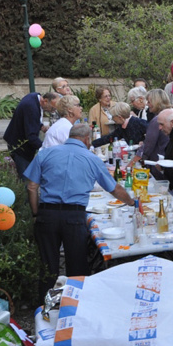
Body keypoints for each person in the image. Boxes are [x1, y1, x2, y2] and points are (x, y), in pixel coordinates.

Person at [24, 123, 134, 302]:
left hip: (47, 214)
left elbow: (31, 186)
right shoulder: (92, 159)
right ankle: (76, 305)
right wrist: (131, 202)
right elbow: (114, 189)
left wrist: (36, 213)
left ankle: (42, 309)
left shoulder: (45, 153)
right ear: (86, 139)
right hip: (74, 216)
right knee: (77, 266)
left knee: (47, 266)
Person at [4, 91, 59, 178]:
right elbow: (31, 136)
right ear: (45, 101)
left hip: (16, 140)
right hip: (20, 146)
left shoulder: (35, 97)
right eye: (52, 108)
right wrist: (45, 148)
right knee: (26, 176)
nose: (53, 111)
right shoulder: (31, 108)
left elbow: (30, 120)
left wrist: (41, 126)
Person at [127, 89, 172, 171]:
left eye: (149, 102)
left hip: (158, 163)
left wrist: (131, 164)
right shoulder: (172, 115)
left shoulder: (157, 120)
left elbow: (147, 147)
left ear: (156, 102)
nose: (147, 104)